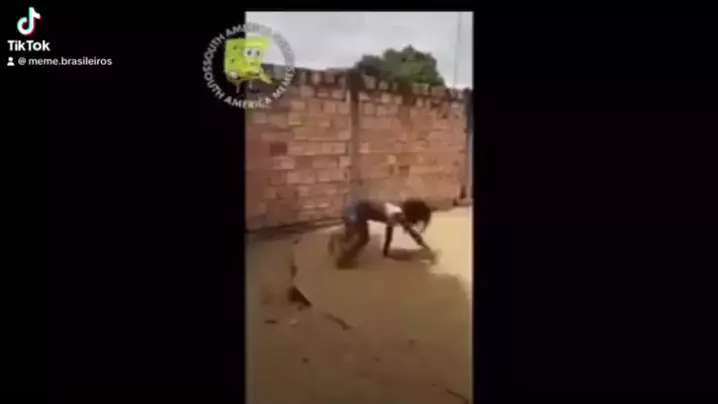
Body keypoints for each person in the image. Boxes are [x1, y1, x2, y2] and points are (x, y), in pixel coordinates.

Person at [330, 198, 437, 268]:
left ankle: (337, 238)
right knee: (363, 238)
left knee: (353, 233)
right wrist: (386, 251)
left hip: (354, 209)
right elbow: (389, 231)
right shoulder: (397, 214)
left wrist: (424, 245)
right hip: (357, 211)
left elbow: (411, 232)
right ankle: (342, 262)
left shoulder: (399, 211)